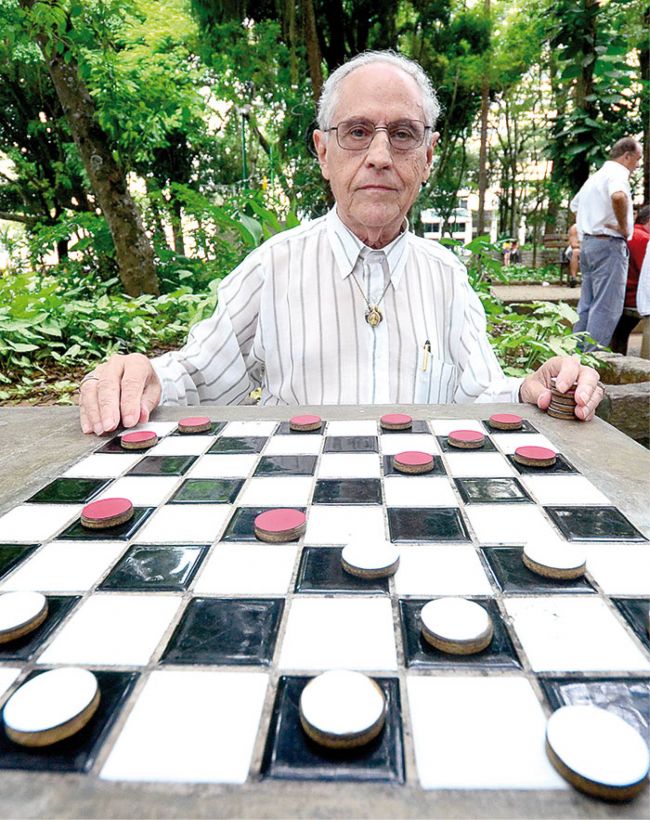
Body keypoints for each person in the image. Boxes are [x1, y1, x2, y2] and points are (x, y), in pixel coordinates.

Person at [79, 50, 604, 435]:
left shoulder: (447, 275)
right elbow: (201, 375)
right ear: (324, 152)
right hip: (293, 505)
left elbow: (478, 389)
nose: (379, 155)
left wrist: (530, 388)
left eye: (402, 134)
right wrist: (142, 374)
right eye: (356, 132)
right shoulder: (274, 265)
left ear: (429, 156)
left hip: (421, 508)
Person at [570, 137, 643, 349]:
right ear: (626, 155)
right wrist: (623, 226)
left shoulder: (595, 177)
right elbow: (619, 197)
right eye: (637, 160)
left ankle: (576, 353)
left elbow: (575, 206)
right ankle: (591, 359)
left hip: (589, 244)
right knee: (606, 306)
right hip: (609, 244)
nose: (637, 165)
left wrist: (594, 219)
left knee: (587, 304)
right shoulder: (617, 173)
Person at [610, 205, 650, 354]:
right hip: (633, 297)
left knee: (620, 333)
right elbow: (645, 273)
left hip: (620, 293)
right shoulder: (644, 238)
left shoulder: (630, 234)